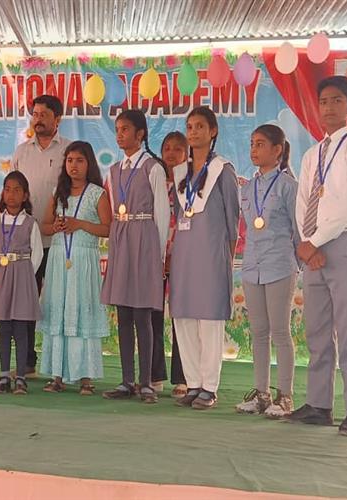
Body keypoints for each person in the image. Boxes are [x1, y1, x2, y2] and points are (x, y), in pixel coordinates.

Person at [290, 76, 347, 437]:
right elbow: (302, 203)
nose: (329, 107)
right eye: (323, 101)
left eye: (337, 100)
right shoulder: (312, 155)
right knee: (317, 329)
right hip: (313, 247)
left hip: (343, 241)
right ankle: (319, 405)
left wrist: (316, 241)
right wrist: (307, 242)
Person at [170, 106, 241, 411]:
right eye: (189, 126)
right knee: (184, 317)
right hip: (184, 254)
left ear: (213, 131)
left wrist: (227, 255)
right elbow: (178, 217)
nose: (194, 132)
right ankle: (193, 383)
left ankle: (209, 387)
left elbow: (232, 218)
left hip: (211, 253)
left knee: (209, 319)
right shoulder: (179, 173)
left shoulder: (222, 170)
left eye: (200, 126)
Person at [100, 110, 170, 404]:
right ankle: (127, 380)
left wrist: (160, 254)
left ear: (140, 134)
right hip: (122, 238)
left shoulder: (153, 168)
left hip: (144, 238)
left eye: (125, 129)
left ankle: (147, 382)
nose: (120, 135)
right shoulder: (113, 170)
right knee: (124, 313)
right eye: (117, 129)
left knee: (143, 314)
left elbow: (162, 213)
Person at [235, 124, 299, 418]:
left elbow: (298, 230)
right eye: (252, 143)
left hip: (279, 265)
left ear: (277, 150)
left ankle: (285, 396)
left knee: (280, 331)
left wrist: (300, 263)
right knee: (258, 332)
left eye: (260, 144)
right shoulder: (247, 188)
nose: (254, 149)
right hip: (252, 266)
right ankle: (262, 394)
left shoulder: (288, 186)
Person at [39, 141, 111, 395]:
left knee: (82, 314)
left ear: (89, 164)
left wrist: (79, 224)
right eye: (70, 160)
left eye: (80, 160)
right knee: (59, 313)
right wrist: (55, 227)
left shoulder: (97, 193)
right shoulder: (58, 193)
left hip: (83, 262)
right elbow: (44, 226)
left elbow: (108, 229)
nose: (74, 166)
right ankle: (56, 375)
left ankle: (85, 378)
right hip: (59, 260)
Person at [11, 94, 70, 377]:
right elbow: (12, 193)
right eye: (35, 114)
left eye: (44, 115)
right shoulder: (21, 152)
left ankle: (60, 365)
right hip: (26, 241)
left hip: (60, 240)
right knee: (26, 301)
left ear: (57, 119)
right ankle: (27, 362)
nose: (38, 120)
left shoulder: (69, 151)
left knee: (58, 302)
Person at [0, 171, 42, 395]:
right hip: (2, 277)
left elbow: (37, 254)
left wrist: (24, 274)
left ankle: (21, 377)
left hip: (22, 277)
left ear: (25, 195)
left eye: (17, 190)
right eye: (7, 189)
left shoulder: (30, 223)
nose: (11, 194)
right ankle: (3, 375)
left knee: (20, 328)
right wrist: (2, 269)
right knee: (4, 327)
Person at [157, 131, 188, 398]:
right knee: (152, 315)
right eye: (167, 148)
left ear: (187, 154)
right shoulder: (155, 182)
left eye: (178, 149)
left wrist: (175, 255)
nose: (171, 153)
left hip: (183, 258)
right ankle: (154, 375)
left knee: (182, 318)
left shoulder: (190, 185)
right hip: (154, 257)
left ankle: (183, 378)